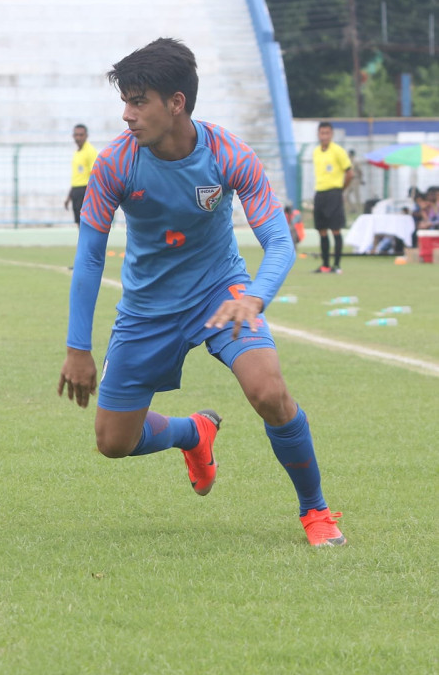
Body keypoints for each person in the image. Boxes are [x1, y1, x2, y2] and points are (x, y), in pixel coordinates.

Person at [57, 38, 346, 548]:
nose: (126, 115)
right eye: (124, 101)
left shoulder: (228, 154)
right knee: (113, 444)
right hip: (146, 309)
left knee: (269, 392)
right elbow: (90, 257)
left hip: (222, 293)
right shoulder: (114, 165)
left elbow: (279, 239)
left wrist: (254, 297)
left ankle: (316, 512)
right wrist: (78, 347)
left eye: (138, 101)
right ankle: (193, 433)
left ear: (176, 103)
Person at [312, 120, 352, 273]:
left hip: (334, 193)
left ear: (332, 134)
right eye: (322, 133)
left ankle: (337, 265)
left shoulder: (338, 151)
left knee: (335, 229)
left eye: (327, 133)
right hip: (320, 193)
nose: (324, 136)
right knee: (321, 230)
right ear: (318, 134)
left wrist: (341, 189)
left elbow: (349, 173)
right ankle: (325, 265)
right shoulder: (316, 151)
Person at [64, 123, 98, 226]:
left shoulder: (90, 151)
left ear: (86, 136)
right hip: (76, 191)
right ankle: (83, 242)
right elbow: (77, 177)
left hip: (86, 190)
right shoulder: (77, 152)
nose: (78, 137)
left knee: (86, 222)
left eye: (81, 135)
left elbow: (95, 174)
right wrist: (69, 196)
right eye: (76, 135)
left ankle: (87, 242)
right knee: (79, 222)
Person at [346, 149, 364, 216]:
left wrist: (361, 179)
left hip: (355, 179)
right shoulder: (347, 161)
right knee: (346, 195)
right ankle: (352, 209)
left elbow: (360, 171)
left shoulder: (356, 162)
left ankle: (359, 210)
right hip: (349, 180)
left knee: (357, 195)